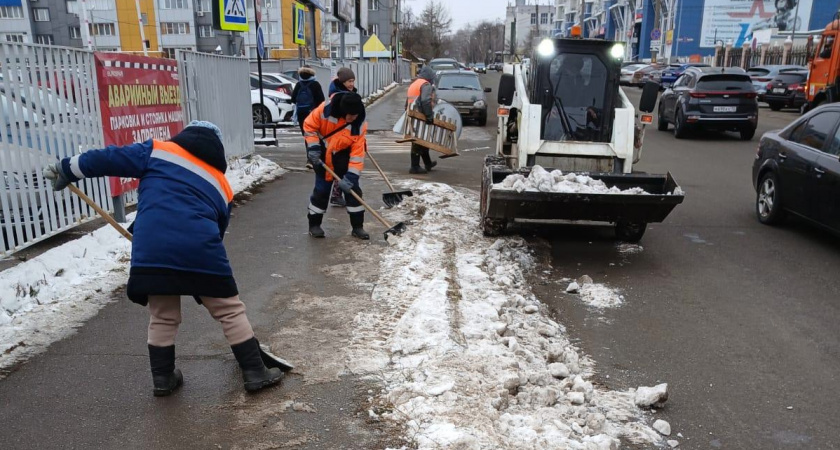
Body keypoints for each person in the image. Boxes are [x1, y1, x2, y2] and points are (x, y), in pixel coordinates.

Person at [41, 121, 284, 396]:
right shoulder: (221, 184)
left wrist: (66, 168)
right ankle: (254, 371)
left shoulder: (157, 151)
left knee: (163, 315)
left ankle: (163, 379)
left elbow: (108, 159)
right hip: (201, 252)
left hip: (152, 250)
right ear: (216, 149)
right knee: (229, 310)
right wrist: (198, 276)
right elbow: (217, 229)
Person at [303, 91, 369, 240]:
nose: (352, 118)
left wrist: (351, 176)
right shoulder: (324, 110)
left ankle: (358, 227)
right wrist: (313, 147)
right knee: (321, 191)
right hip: (322, 156)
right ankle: (314, 225)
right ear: (342, 109)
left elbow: (357, 154)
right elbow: (309, 126)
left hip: (343, 157)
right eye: (349, 115)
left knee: (353, 192)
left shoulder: (359, 124)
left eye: (355, 115)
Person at [326, 67, 358, 207]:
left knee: (344, 168)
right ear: (342, 81)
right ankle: (337, 194)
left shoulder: (347, 93)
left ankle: (338, 194)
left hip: (349, 136)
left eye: (353, 81)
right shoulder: (338, 96)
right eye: (349, 81)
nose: (351, 84)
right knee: (342, 168)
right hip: (340, 138)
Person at [291, 65, 326, 169]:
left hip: (302, 114)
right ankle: (319, 157)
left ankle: (310, 159)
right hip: (314, 114)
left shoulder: (298, 84)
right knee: (318, 135)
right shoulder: (315, 84)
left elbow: (293, 99)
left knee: (308, 137)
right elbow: (321, 100)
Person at [406, 66, 438, 174]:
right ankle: (414, 166)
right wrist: (429, 116)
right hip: (420, 115)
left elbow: (407, 101)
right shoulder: (425, 85)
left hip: (412, 114)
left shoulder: (415, 83)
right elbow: (425, 100)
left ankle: (427, 163)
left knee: (422, 139)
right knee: (418, 141)